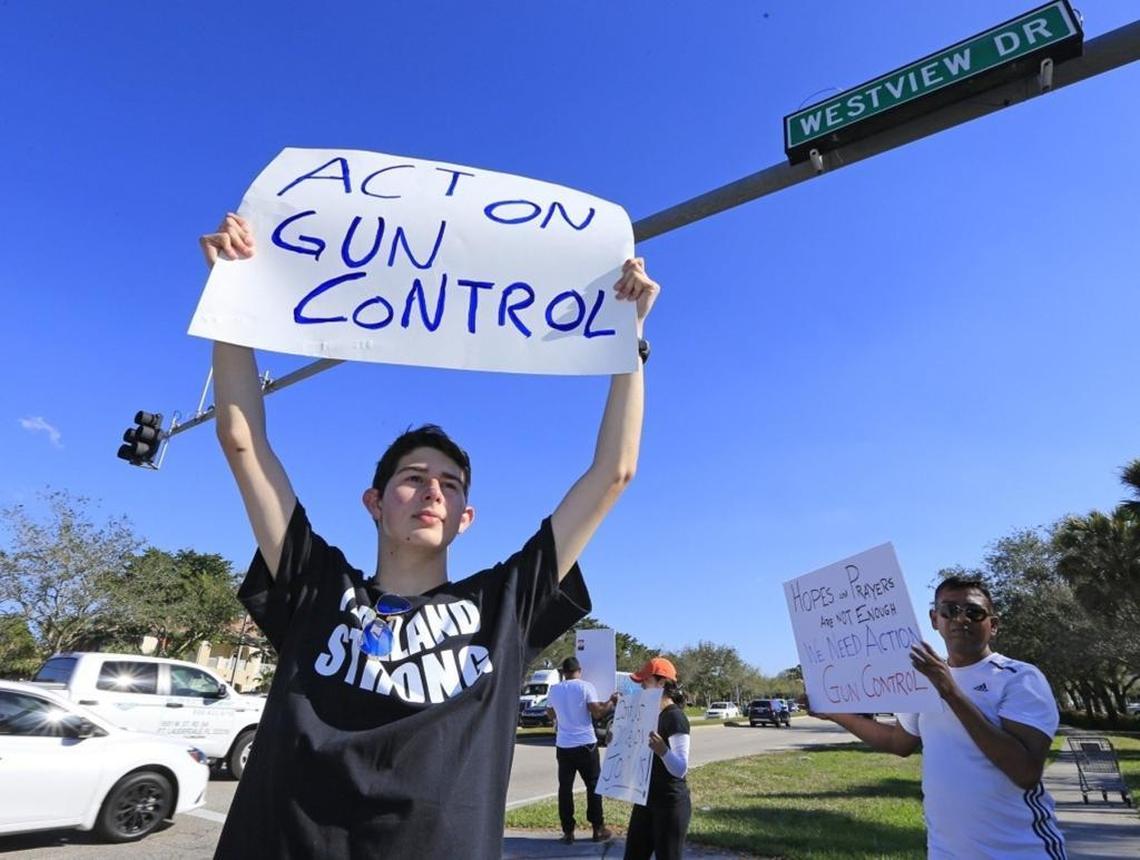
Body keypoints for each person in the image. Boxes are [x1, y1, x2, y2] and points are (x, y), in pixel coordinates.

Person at [199, 213, 660, 859]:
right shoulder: (314, 585)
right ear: (375, 502)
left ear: (465, 516)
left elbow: (614, 472)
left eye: (450, 483)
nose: (433, 490)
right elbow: (242, 440)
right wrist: (230, 299)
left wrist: (628, 341)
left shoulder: (505, 606)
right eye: (413, 478)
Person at [814, 575, 1067, 859]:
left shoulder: (1020, 678)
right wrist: (835, 713)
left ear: (993, 625)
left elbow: (1026, 772)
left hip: (1020, 850)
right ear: (935, 619)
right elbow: (899, 742)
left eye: (974, 612)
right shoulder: (923, 677)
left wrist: (950, 692)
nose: (961, 619)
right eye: (949, 611)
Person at [544, 655, 617, 844]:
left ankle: (568, 832)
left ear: (563, 673)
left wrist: (561, 714)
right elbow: (597, 711)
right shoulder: (586, 687)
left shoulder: (554, 690)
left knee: (565, 789)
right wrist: (611, 701)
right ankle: (597, 829)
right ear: (579, 671)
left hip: (564, 745)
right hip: (586, 744)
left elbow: (550, 712)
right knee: (593, 786)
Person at [624, 657, 691, 860]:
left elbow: (681, 769)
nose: (642, 686)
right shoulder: (650, 713)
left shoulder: (675, 717)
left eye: (646, 681)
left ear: (661, 683)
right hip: (646, 799)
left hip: (670, 804)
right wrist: (615, 739)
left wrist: (663, 751)